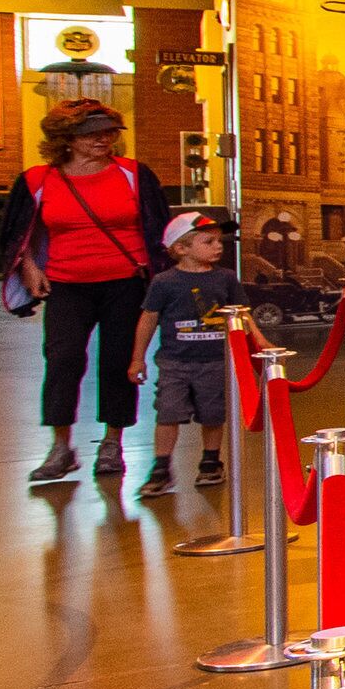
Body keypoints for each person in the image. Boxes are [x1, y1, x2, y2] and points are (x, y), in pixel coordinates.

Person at [0, 100, 171, 484]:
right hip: (66, 283)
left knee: (119, 362)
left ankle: (112, 443)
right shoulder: (37, 180)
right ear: (66, 139)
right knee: (62, 359)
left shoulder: (134, 175)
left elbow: (159, 228)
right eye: (91, 134)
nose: (102, 139)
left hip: (126, 281)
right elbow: (18, 233)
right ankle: (61, 447)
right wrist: (29, 266)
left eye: (109, 132)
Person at [127, 211, 239, 498]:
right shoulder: (164, 282)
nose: (218, 246)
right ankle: (161, 467)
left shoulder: (226, 278)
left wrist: (258, 345)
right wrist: (138, 358)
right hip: (174, 362)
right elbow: (148, 318)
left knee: (213, 414)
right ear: (181, 248)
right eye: (208, 241)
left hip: (214, 361)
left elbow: (242, 316)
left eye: (219, 241)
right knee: (168, 413)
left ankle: (211, 461)